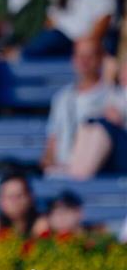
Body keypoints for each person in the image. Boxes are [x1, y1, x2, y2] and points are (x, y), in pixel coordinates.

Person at [43, 38, 117, 175]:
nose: (84, 61)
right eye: (80, 56)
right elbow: (52, 142)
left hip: (97, 174)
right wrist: (49, 164)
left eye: (90, 56)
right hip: (60, 173)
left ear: (100, 59)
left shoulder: (113, 96)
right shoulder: (62, 97)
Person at [54, 57, 126, 178]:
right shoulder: (115, 93)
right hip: (113, 151)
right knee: (89, 126)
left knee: (101, 128)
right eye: (124, 69)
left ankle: (79, 175)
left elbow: (115, 116)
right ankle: (73, 167)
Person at [0, 174, 46, 240]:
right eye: (10, 197)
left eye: (19, 196)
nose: (15, 202)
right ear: (0, 200)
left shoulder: (42, 226)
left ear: (30, 197)